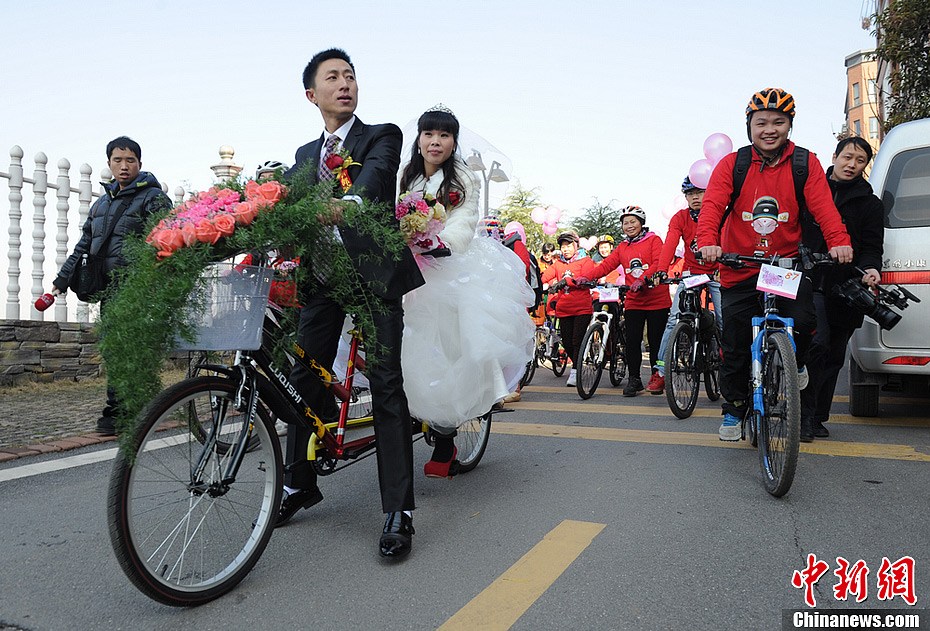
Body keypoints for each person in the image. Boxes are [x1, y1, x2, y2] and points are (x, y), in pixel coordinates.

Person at [277, 48, 425, 560]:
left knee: (385, 384)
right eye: (332, 77)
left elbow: (375, 178)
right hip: (321, 279)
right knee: (303, 379)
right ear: (311, 94)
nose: (345, 83)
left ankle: (398, 510)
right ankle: (298, 483)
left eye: (350, 76)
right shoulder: (302, 156)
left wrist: (349, 204)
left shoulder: (380, 135)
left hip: (373, 276)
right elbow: (287, 203)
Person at [696, 87, 853, 441]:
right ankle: (735, 409)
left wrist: (839, 241)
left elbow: (824, 208)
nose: (770, 129)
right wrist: (708, 242)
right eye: (761, 122)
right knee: (735, 343)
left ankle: (793, 361)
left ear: (789, 126)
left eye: (778, 122)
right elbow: (712, 208)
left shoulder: (804, 162)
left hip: (783, 267)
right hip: (739, 266)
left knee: (805, 321)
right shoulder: (733, 164)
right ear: (749, 125)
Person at [397, 106, 534, 466]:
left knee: (448, 350)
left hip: (447, 268)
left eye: (444, 135)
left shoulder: (463, 180)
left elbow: (465, 219)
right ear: (419, 138)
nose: (435, 141)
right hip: (403, 267)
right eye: (429, 134)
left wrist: (439, 242)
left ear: (453, 141)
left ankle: (446, 436)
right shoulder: (403, 175)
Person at [49, 136, 172, 436]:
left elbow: (166, 241)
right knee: (116, 349)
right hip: (110, 288)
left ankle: (125, 409)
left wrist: (151, 281)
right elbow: (84, 245)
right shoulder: (101, 203)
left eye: (130, 160)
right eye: (118, 160)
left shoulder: (154, 198)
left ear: (140, 164)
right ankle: (121, 408)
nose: (124, 166)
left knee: (130, 348)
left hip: (139, 288)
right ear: (109, 164)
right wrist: (61, 281)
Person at [800, 136, 883, 442]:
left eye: (860, 161)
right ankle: (803, 416)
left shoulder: (870, 203)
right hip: (808, 281)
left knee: (835, 355)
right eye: (847, 157)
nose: (852, 165)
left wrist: (872, 268)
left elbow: (873, 246)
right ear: (834, 156)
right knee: (816, 344)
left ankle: (818, 416)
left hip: (846, 287)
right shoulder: (809, 191)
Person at [582, 206, 671, 396]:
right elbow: (606, 265)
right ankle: (634, 379)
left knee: (655, 342)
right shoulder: (623, 247)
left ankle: (657, 377)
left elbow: (658, 262)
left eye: (633, 221)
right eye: (625, 223)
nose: (629, 226)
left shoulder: (654, 240)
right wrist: (585, 277)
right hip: (634, 300)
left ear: (641, 223)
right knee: (632, 342)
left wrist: (643, 279)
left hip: (657, 300)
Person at [649, 176, 722, 394]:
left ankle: (727, 359)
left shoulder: (720, 213)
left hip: (717, 272)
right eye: (690, 194)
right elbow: (670, 243)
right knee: (673, 320)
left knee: (724, 316)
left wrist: (724, 268)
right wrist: (661, 270)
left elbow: (728, 239)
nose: (695, 197)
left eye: (699, 192)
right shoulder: (680, 217)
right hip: (691, 273)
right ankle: (661, 371)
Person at [540, 232, 596, 387]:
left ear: (576, 245)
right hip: (564, 309)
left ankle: (576, 371)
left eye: (569, 245)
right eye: (563, 246)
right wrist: (534, 282)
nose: (565, 249)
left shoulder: (585, 261)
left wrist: (566, 282)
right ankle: (578, 364)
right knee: (567, 342)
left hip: (582, 308)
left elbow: (586, 279)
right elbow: (544, 276)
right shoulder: (558, 264)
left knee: (577, 340)